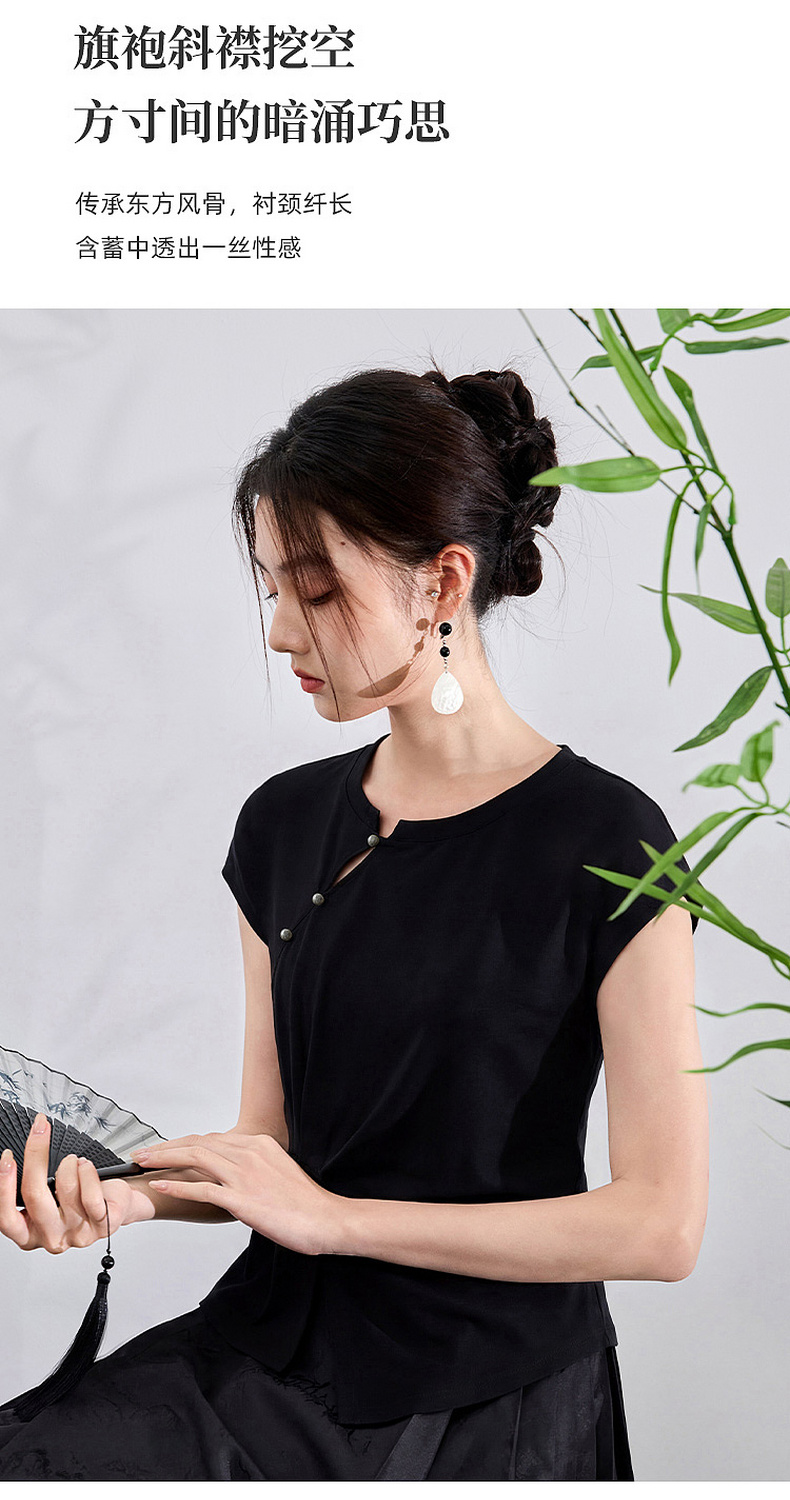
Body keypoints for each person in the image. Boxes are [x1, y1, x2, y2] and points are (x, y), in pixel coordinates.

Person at [0, 364, 708, 1481]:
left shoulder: (612, 843)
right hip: (276, 1348)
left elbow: (660, 1227)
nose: (282, 631)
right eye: (272, 590)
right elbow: (273, 1147)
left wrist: (337, 1220)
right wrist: (125, 1198)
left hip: (485, 1395)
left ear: (443, 583)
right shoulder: (282, 825)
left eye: (317, 590)